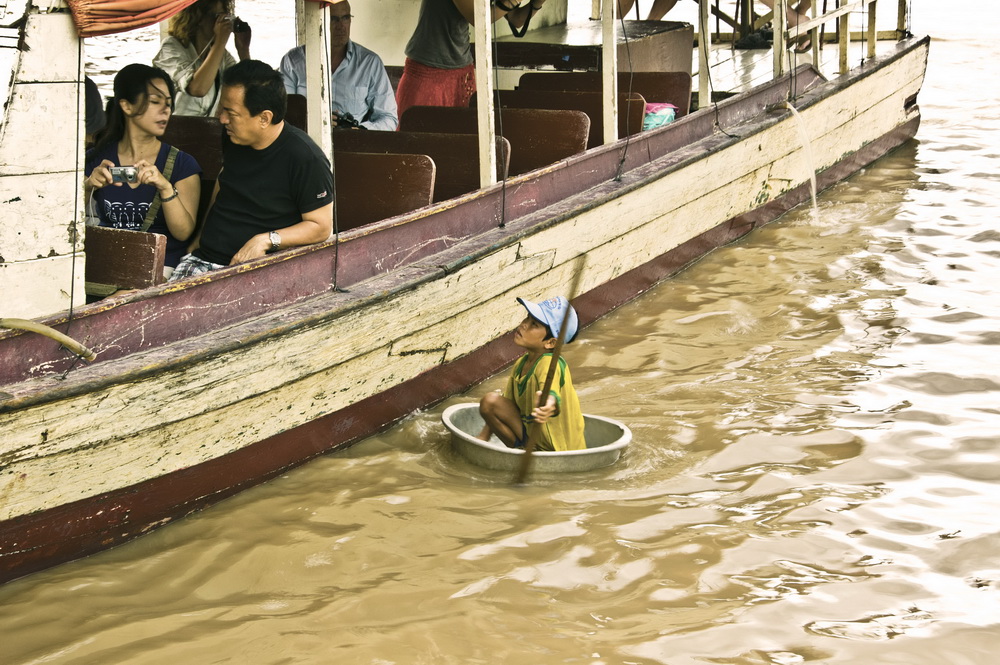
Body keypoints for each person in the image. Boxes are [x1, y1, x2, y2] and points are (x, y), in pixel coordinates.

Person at [170, 60, 334, 280]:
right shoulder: (233, 136)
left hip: (253, 272)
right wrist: (199, 239)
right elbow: (224, 181)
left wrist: (265, 239)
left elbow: (321, 227)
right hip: (202, 260)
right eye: (222, 109)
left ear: (264, 118)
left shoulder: (305, 157)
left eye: (231, 113)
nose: (222, 119)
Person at [84, 64, 202, 277]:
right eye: (155, 102)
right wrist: (87, 186)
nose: (165, 110)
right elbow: (63, 221)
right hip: (107, 263)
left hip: (161, 267)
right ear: (126, 106)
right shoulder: (95, 159)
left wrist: (165, 188)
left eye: (168, 104)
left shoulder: (182, 164)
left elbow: (183, 233)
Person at [395, 0, 547, 120]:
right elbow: (476, 17)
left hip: (461, 70)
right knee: (420, 137)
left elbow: (516, 20)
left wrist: (537, 3)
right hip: (427, 69)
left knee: (458, 138)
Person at [478, 296, 586, 452]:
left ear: (550, 342)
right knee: (490, 402)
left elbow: (550, 393)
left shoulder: (549, 364)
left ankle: (527, 450)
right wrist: (483, 437)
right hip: (534, 441)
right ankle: (523, 449)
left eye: (534, 324)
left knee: (490, 400)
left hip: (560, 450)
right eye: (527, 318)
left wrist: (548, 405)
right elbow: (506, 405)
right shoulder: (521, 364)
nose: (524, 325)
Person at [278, 1, 398, 131]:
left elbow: (388, 118)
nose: (341, 26)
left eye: (345, 18)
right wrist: (314, 121)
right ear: (318, 21)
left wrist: (360, 130)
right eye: (333, 19)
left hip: (352, 141)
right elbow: (283, 113)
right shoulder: (292, 62)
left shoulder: (370, 63)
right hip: (307, 139)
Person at [153, 0, 251, 116]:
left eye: (226, 18)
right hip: (176, 129)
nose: (223, 23)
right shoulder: (171, 47)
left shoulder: (222, 55)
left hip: (206, 130)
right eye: (218, 17)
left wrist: (243, 50)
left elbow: (246, 89)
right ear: (198, 18)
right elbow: (198, 89)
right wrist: (220, 41)